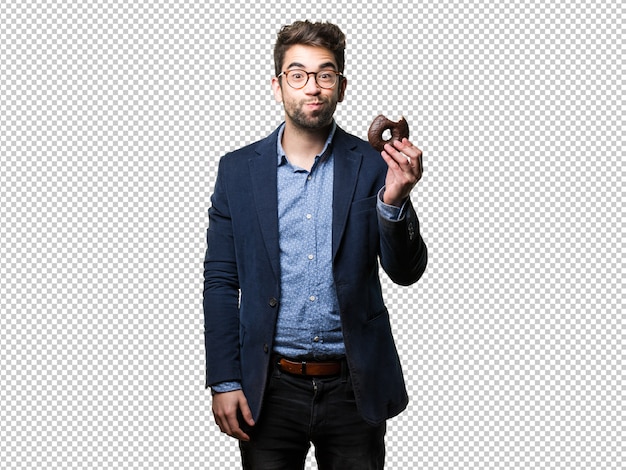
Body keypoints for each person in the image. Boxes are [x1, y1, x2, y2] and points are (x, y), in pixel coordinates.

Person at [203, 20, 427, 470]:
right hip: (267, 386)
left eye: (325, 75)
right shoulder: (236, 171)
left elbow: (407, 271)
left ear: (341, 87)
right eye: (297, 74)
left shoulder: (373, 166)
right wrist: (224, 380)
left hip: (353, 384)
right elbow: (221, 282)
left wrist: (395, 201)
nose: (313, 88)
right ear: (277, 85)